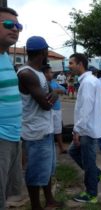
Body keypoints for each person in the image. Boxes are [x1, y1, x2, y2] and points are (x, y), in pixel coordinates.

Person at [17, 36, 62, 210]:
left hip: (45, 129)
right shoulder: (26, 73)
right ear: (43, 52)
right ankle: (36, 206)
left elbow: (52, 93)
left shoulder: (38, 73)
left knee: (47, 169)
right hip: (34, 131)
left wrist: (54, 93)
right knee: (35, 172)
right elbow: (46, 104)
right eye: (47, 51)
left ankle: (49, 200)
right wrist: (54, 94)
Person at [68, 53, 101, 203]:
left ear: (80, 64)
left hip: (86, 129)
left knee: (88, 161)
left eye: (71, 63)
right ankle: (97, 174)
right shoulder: (94, 81)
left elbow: (85, 108)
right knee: (74, 151)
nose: (69, 66)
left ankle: (91, 194)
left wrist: (77, 130)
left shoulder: (87, 82)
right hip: (91, 127)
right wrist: (98, 121)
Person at [0, 6, 24, 210]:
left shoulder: (5, 57)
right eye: (8, 24)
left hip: (13, 136)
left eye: (18, 25)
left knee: (6, 194)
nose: (15, 29)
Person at [43, 64, 67, 154]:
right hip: (47, 110)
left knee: (58, 130)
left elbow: (64, 90)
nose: (52, 74)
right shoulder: (42, 83)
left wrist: (55, 91)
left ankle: (61, 148)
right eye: (50, 72)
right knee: (48, 131)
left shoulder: (54, 83)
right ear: (44, 74)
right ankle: (50, 149)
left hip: (56, 109)